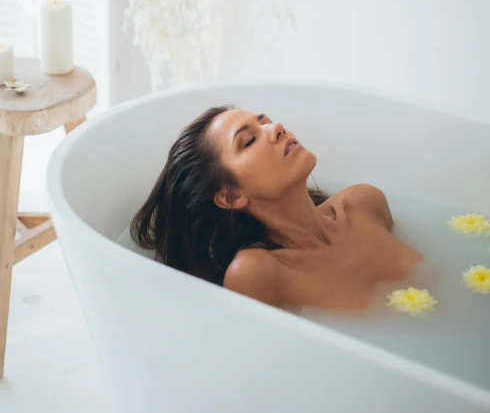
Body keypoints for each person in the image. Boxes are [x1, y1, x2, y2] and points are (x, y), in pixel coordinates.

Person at [131, 105, 422, 311]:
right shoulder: (256, 272)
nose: (276, 128)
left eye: (266, 121)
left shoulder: (364, 203)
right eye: (249, 140)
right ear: (231, 197)